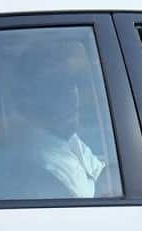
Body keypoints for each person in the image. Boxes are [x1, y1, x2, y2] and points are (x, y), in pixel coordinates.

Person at [11, 42, 106, 198]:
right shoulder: (40, 171)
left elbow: (105, 177)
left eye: (74, 82)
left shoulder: (67, 139)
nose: (73, 93)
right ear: (32, 97)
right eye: (58, 84)